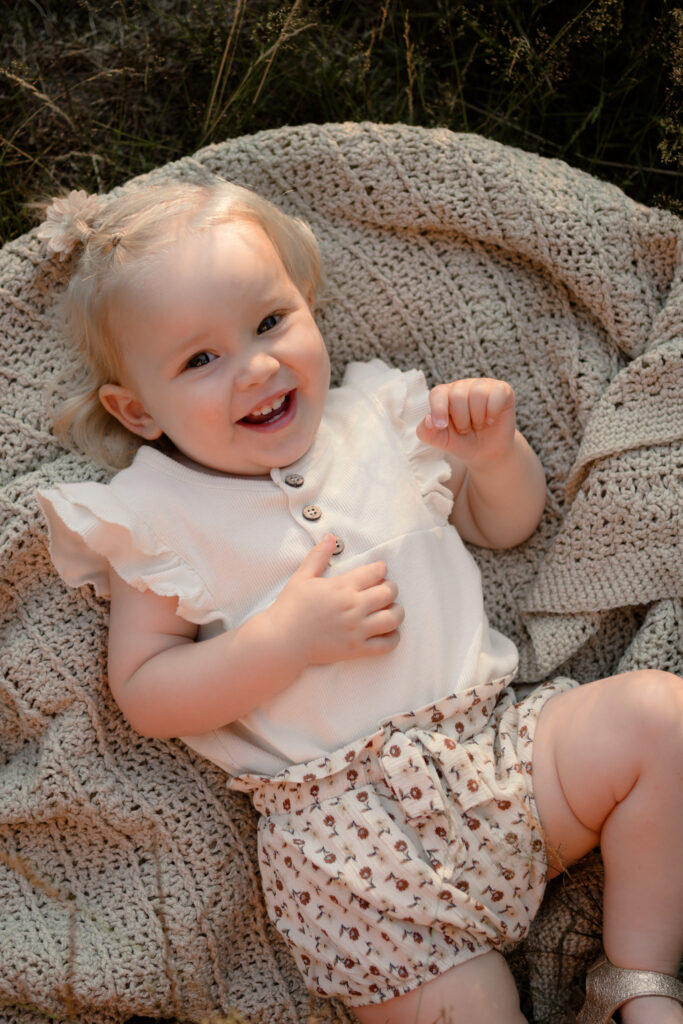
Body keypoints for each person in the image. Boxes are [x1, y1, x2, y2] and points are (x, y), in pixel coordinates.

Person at [35, 180, 682, 1024]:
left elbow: (506, 526)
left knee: (660, 721)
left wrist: (492, 454)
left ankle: (633, 980)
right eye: (201, 360)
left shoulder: (380, 415)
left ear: (307, 307)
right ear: (137, 411)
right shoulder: (156, 516)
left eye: (269, 323)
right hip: (348, 846)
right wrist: (282, 642)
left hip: (494, 751)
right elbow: (148, 692)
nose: (257, 366)